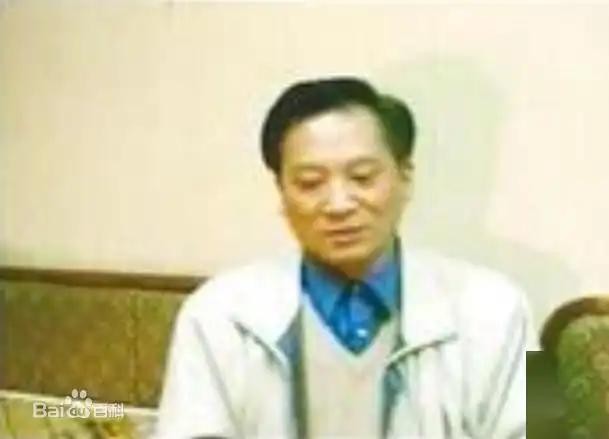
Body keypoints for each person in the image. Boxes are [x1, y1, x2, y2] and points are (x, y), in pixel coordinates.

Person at [155, 77, 528, 438]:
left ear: (405, 177)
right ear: (281, 192)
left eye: (362, 177)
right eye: (310, 183)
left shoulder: (498, 308)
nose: (338, 205)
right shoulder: (218, 315)